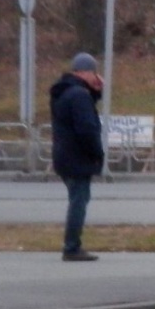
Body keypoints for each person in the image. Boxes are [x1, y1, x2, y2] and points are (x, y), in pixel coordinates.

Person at [50, 52, 105, 262]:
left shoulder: (65, 92)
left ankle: (72, 245)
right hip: (77, 157)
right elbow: (87, 128)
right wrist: (97, 153)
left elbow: (79, 112)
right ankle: (72, 247)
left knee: (77, 199)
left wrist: (95, 93)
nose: (96, 77)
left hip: (64, 155)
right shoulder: (80, 96)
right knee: (79, 202)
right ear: (87, 72)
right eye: (94, 73)